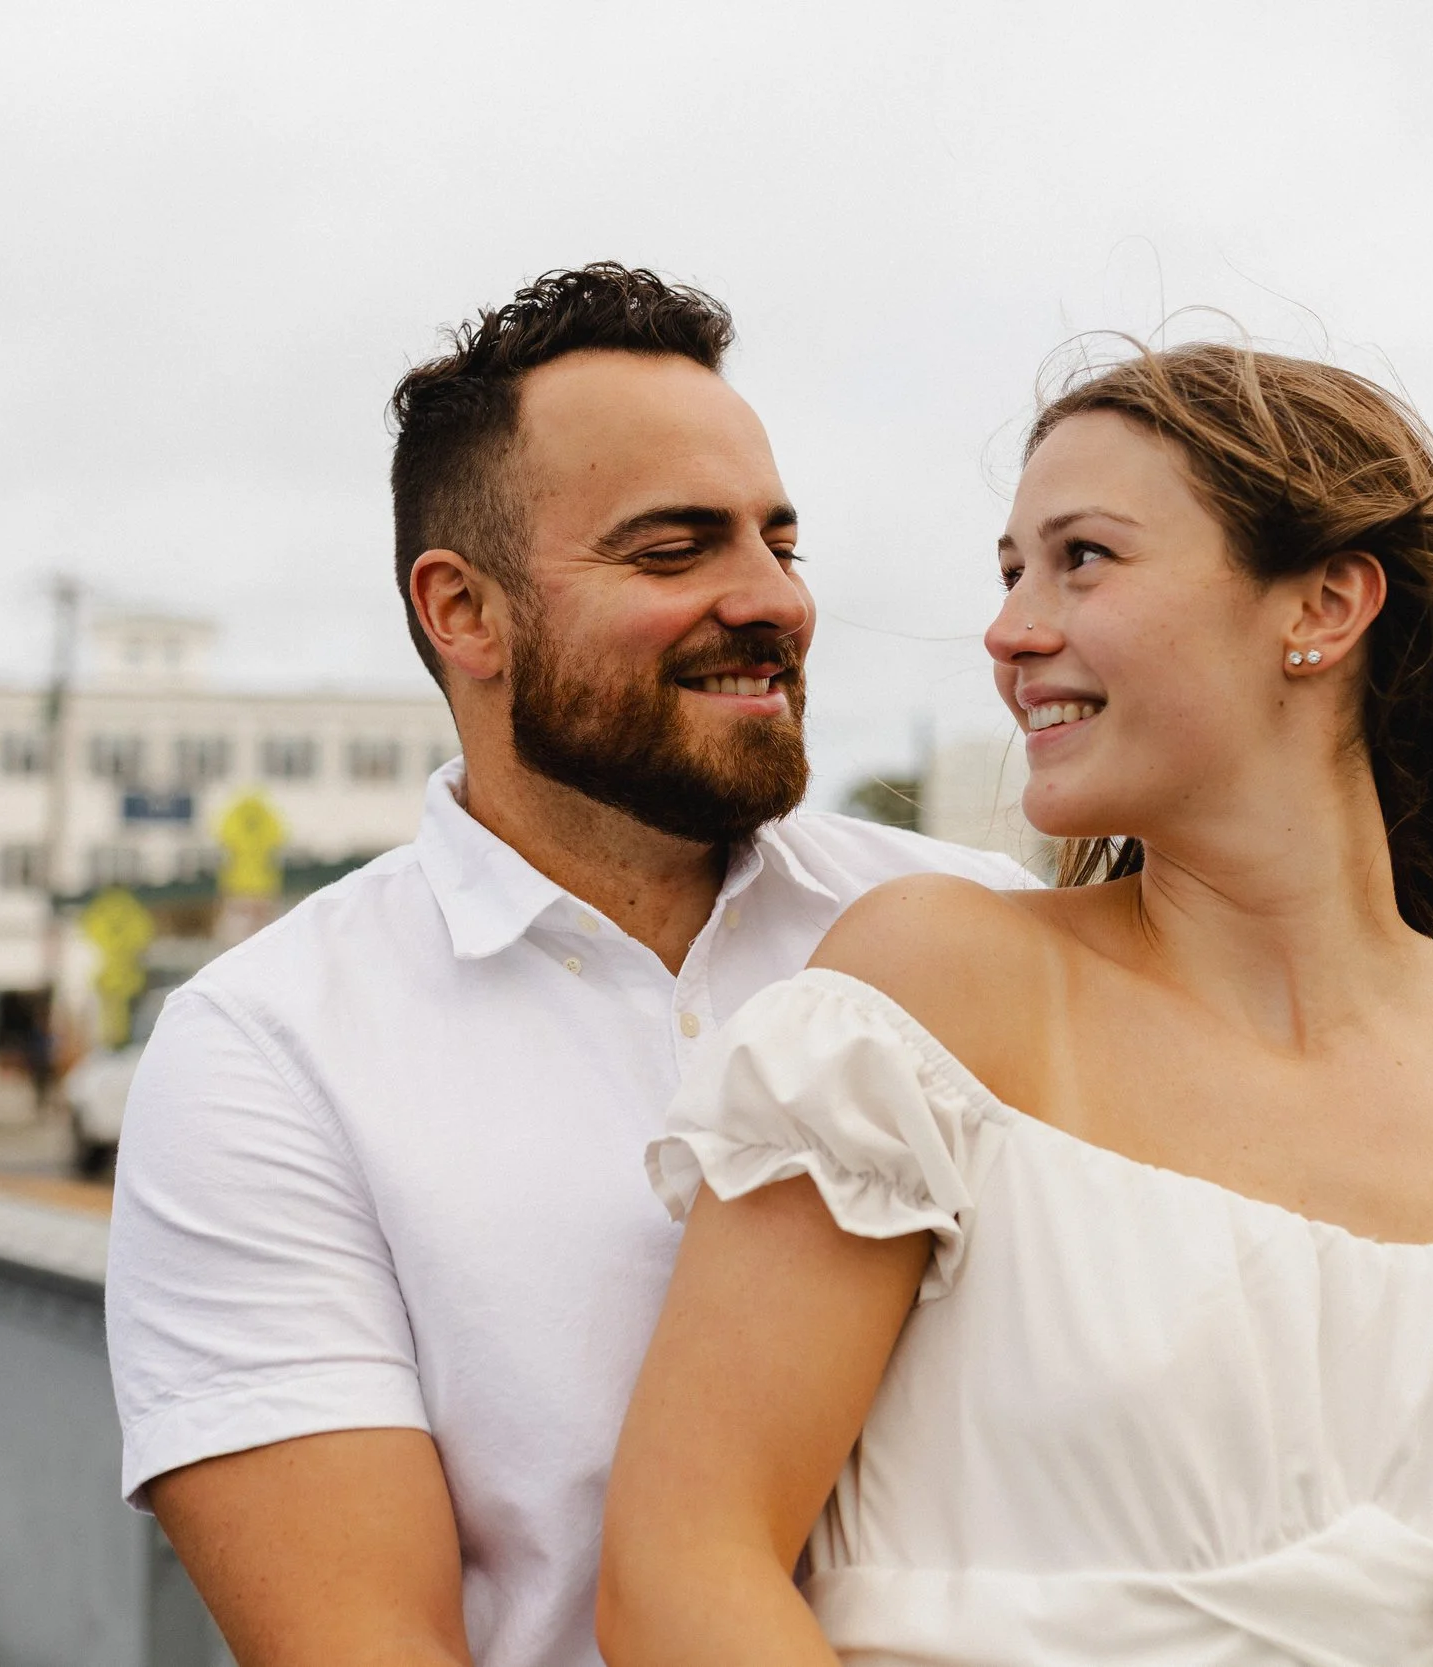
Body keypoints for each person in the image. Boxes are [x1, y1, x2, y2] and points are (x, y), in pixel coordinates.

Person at [598, 341, 1433, 1666]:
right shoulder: (938, 985)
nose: (1012, 628)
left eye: (1083, 557)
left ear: (1322, 607)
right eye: (1011, 568)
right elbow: (684, 1567)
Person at [104, 264, 1033, 1667]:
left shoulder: (988, 932)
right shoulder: (270, 1049)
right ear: (462, 612)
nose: (770, 599)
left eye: (781, 542)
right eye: (674, 550)